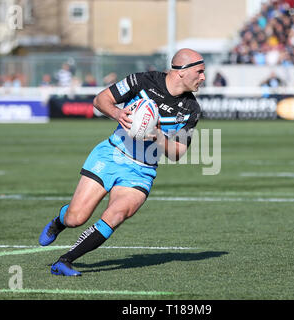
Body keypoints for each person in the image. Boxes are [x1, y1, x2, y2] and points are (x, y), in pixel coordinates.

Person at [38, 48, 205, 276]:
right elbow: (101, 100)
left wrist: (157, 134)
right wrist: (118, 114)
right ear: (182, 72)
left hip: (142, 171)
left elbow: (178, 152)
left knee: (116, 215)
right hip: (111, 155)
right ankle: (60, 221)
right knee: (76, 218)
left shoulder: (191, 109)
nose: (203, 77)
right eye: (200, 72)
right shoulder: (142, 80)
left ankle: (65, 260)